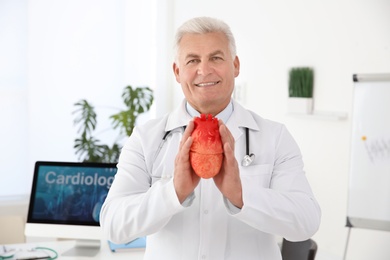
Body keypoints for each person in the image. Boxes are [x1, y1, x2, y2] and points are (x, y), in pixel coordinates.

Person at [100, 16, 321, 260]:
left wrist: (241, 195)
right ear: (177, 71)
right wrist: (173, 192)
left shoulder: (274, 137)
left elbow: (306, 220)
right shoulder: (147, 139)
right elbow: (113, 225)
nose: (204, 70)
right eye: (193, 60)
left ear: (235, 65)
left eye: (216, 58)